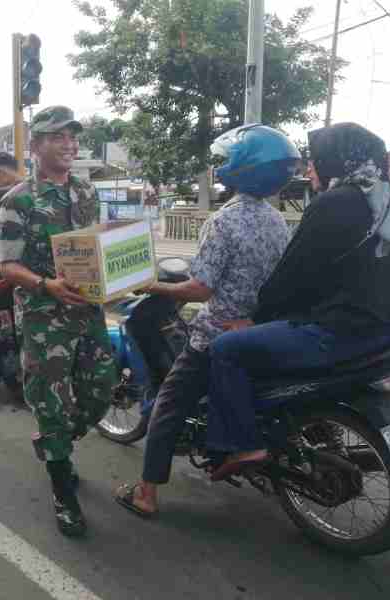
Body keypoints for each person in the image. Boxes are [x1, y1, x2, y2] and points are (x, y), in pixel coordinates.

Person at [204, 122, 390, 481]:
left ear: (336, 160)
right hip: (385, 329)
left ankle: (242, 443)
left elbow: (291, 276)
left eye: (316, 160)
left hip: (340, 332)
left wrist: (256, 318)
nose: (309, 169)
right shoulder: (380, 199)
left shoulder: (333, 203)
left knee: (225, 348)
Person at [113, 125, 298, 517]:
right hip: (258, 328)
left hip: (217, 333)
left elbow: (199, 290)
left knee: (167, 404)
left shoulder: (224, 221)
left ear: (241, 168)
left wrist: (153, 286)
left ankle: (146, 493)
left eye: (225, 160)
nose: (219, 166)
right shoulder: (277, 220)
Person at [0, 105, 116, 537]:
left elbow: (95, 248)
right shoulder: (18, 201)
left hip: (88, 310)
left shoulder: (86, 192)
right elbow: (8, 266)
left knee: (103, 387)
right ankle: (62, 486)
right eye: (57, 137)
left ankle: (54, 444)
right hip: (45, 316)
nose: (68, 144)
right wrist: (45, 284)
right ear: (36, 146)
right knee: (51, 401)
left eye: (72, 137)